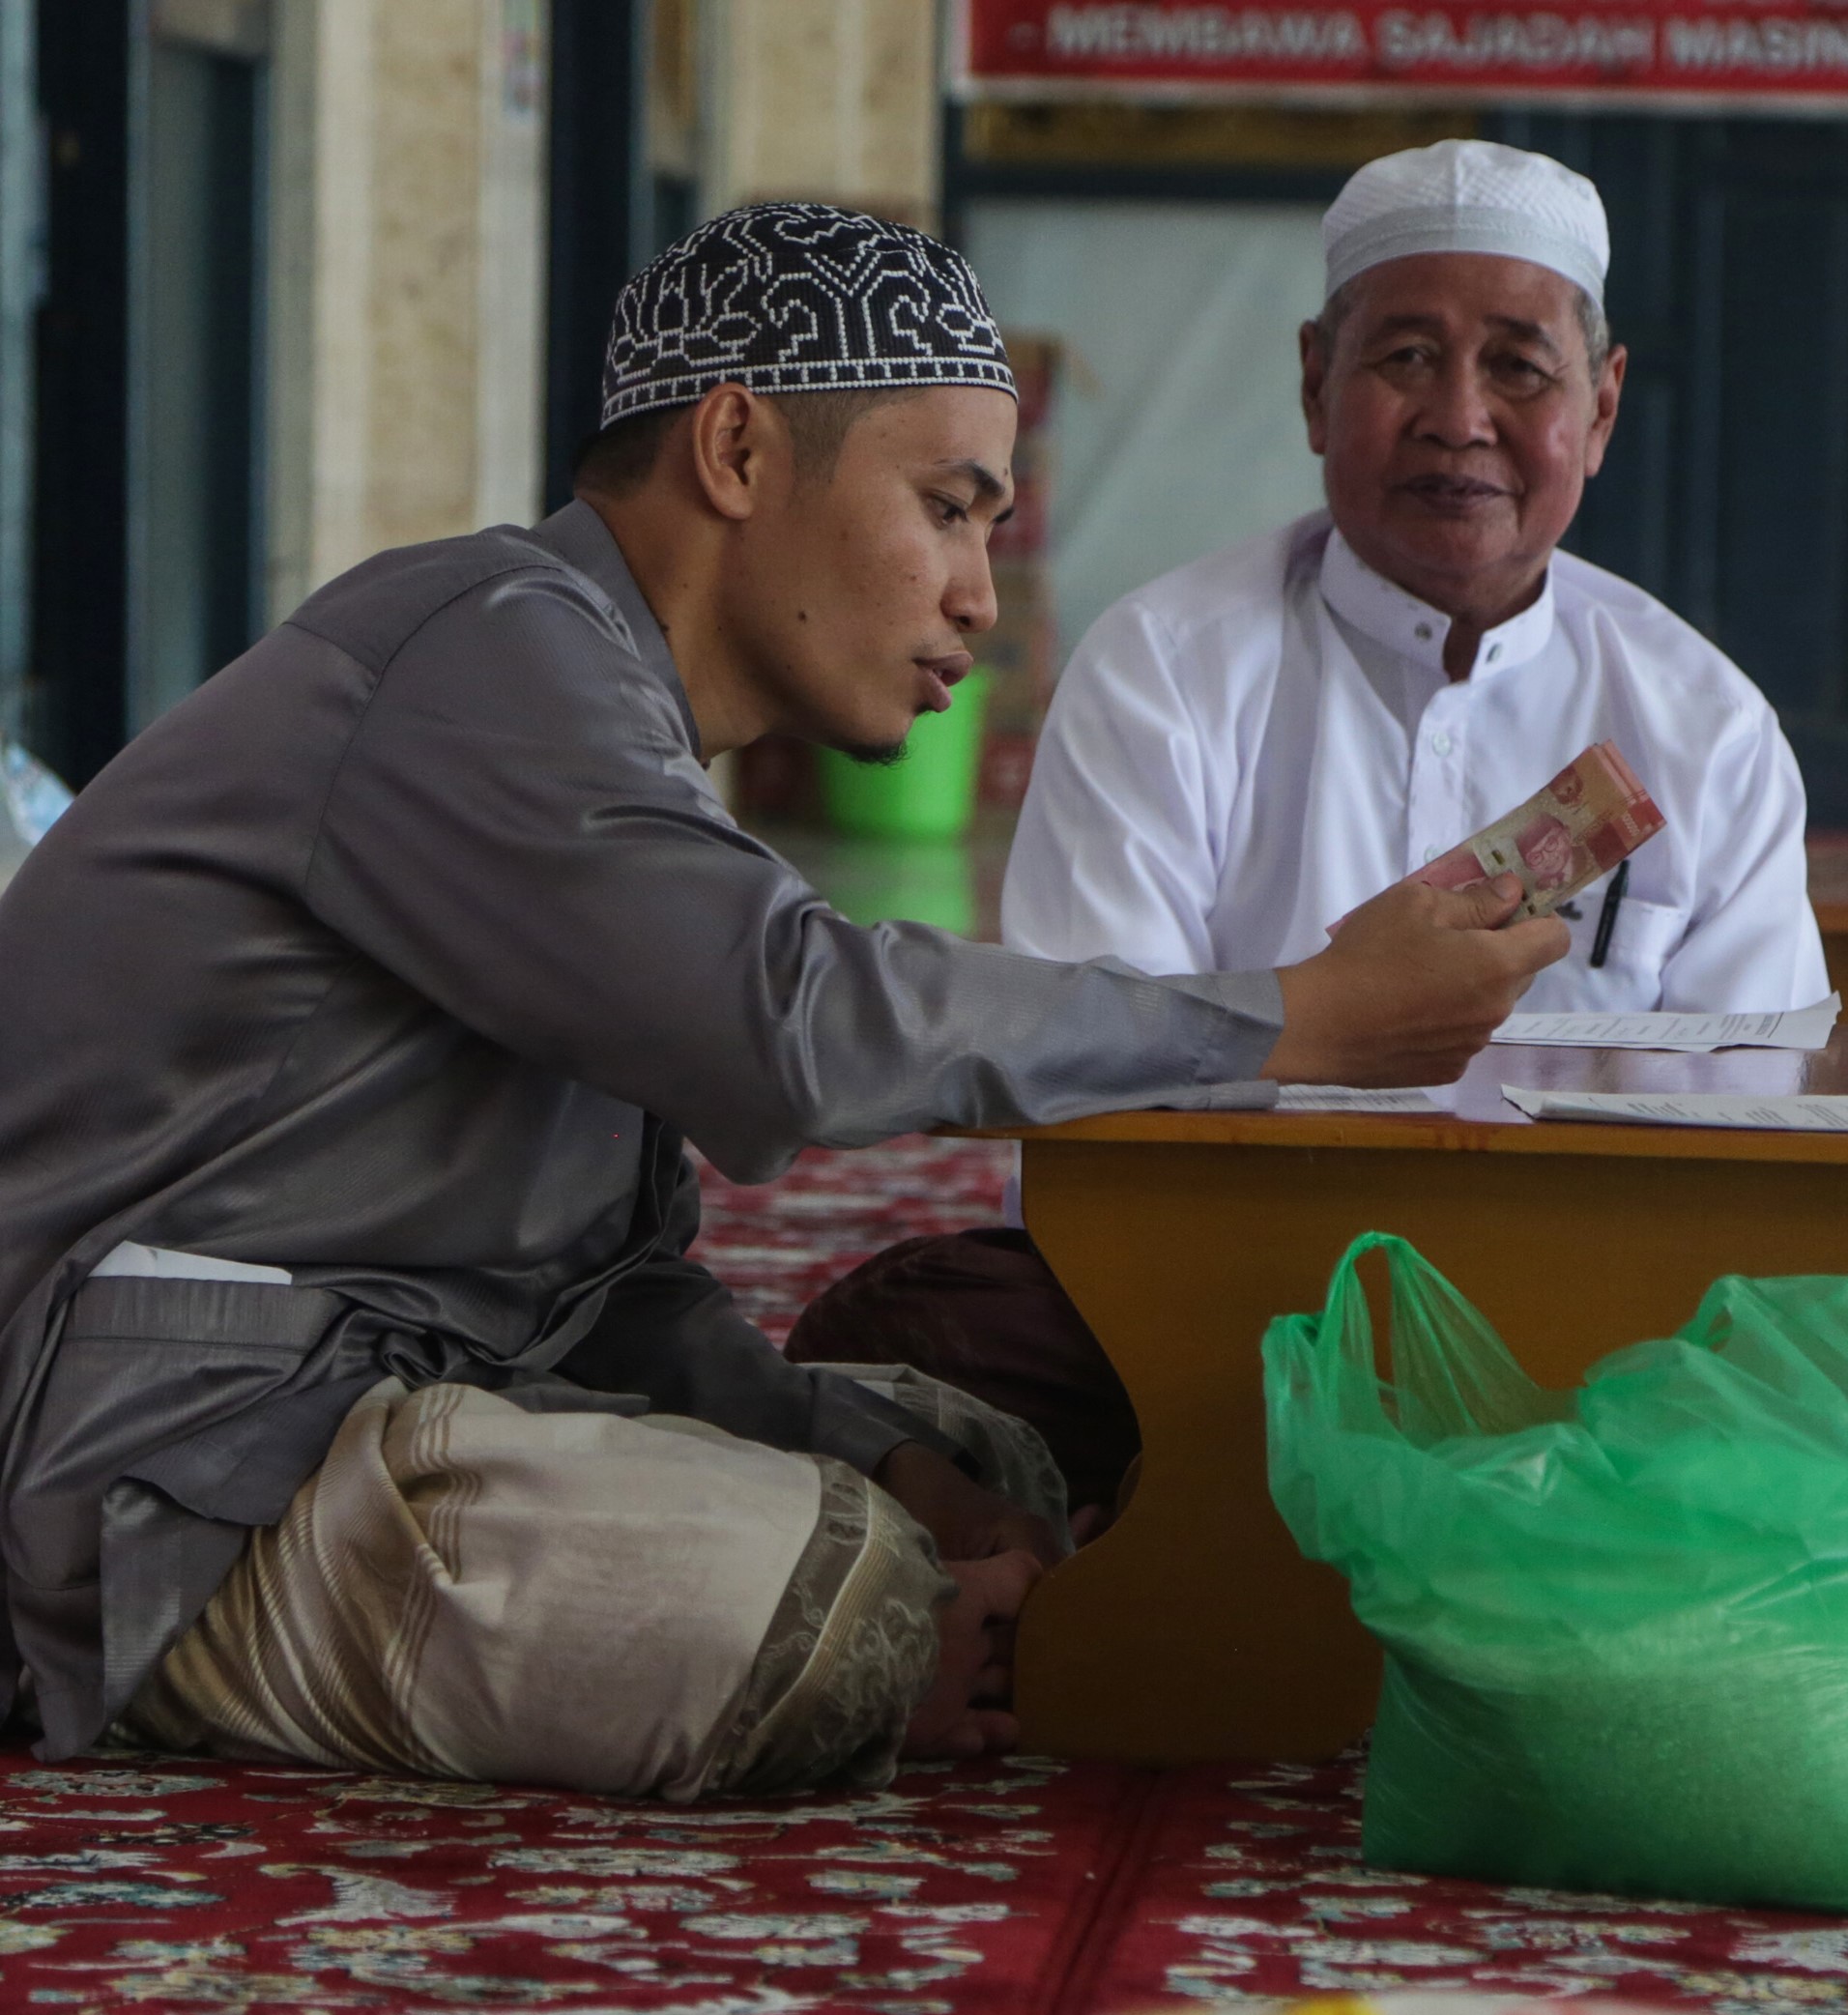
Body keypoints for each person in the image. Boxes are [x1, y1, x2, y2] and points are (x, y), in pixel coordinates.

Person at [0, 204, 1564, 1803]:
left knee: (977, 1455)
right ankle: (901, 1635)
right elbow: (800, 1020)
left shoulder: (615, 723)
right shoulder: (481, 656)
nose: (977, 597)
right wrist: (1292, 1016)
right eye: (946, 511)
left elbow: (604, 1290)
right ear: (738, 449)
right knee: (831, 1599)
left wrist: (889, 1462)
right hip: (148, 1463)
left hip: (384, 1396)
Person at [794, 138, 1848, 1498]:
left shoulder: (1702, 721)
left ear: (1601, 409)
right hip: (1240, 1292)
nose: (1459, 417)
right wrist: (1325, 1030)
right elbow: (1087, 1099)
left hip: (1619, 1306)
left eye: (1520, 368)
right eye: (1406, 358)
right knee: (901, 1334)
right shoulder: (1165, 670)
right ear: (1316, 387)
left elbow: (1765, 1138)